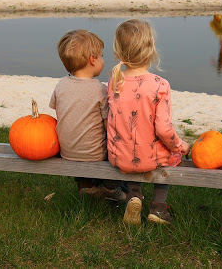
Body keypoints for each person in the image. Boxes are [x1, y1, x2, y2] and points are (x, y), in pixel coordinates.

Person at [107, 19, 190, 225]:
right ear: (151, 48)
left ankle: (134, 194)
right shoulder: (160, 85)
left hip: (120, 158)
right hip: (152, 159)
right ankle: (158, 208)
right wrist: (181, 146)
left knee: (131, 154)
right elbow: (163, 129)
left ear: (118, 52)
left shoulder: (114, 81)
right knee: (172, 155)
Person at [49, 29, 125, 201]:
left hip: (67, 151)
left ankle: (85, 185)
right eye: (101, 56)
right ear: (92, 59)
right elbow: (108, 126)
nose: (103, 60)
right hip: (95, 154)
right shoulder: (100, 89)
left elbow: (60, 112)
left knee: (80, 137)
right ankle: (110, 186)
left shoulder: (61, 85)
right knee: (111, 144)